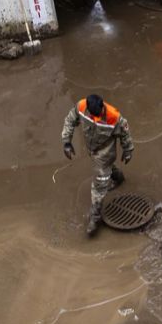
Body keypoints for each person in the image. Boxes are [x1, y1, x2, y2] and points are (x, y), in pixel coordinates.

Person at [62, 93, 133, 236]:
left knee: (99, 185)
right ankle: (118, 178)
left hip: (105, 152)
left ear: (102, 106)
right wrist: (67, 142)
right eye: (94, 115)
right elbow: (70, 120)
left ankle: (95, 217)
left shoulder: (114, 116)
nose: (97, 118)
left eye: (100, 114)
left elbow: (125, 133)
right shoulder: (81, 106)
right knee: (106, 170)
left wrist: (128, 150)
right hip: (91, 149)